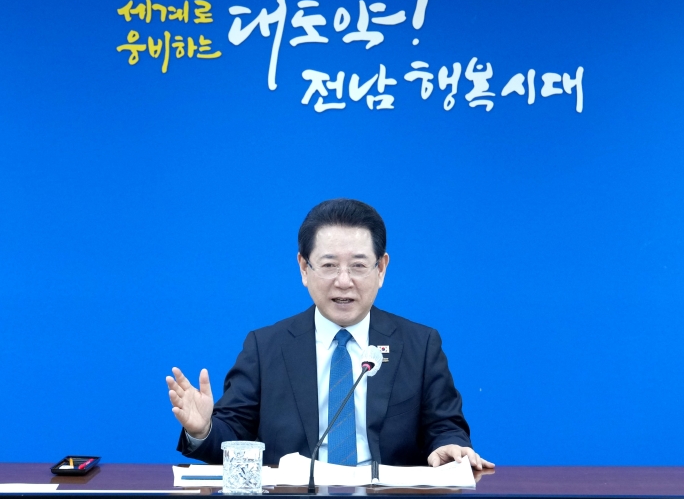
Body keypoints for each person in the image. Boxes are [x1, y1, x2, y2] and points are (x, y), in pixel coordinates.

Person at [168, 198, 490, 469]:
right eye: (329, 265)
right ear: (304, 269)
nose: (344, 281)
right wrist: (204, 429)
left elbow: (445, 427)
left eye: (359, 266)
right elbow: (233, 439)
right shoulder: (265, 348)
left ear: (381, 269)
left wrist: (449, 446)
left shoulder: (420, 346)